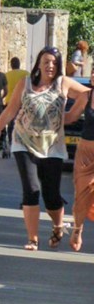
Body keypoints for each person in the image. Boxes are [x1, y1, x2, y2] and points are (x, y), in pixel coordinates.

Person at [0, 46, 89, 251]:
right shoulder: (25, 84)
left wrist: (73, 115)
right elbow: (10, 112)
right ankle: (32, 239)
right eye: (47, 61)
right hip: (23, 142)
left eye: (55, 63)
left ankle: (58, 226)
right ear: (39, 64)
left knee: (51, 196)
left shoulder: (63, 83)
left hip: (52, 147)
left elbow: (88, 95)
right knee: (31, 190)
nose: (51, 66)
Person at [64, 65, 94, 251]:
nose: (93, 75)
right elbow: (70, 117)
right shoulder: (86, 96)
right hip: (85, 152)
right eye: (92, 71)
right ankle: (77, 230)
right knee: (82, 193)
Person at [4, 57, 29, 145]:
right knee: (23, 121)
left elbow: (4, 89)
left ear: (11, 65)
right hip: (22, 101)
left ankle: (11, 140)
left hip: (9, 101)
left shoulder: (6, 75)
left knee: (11, 121)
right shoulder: (25, 74)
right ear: (19, 64)